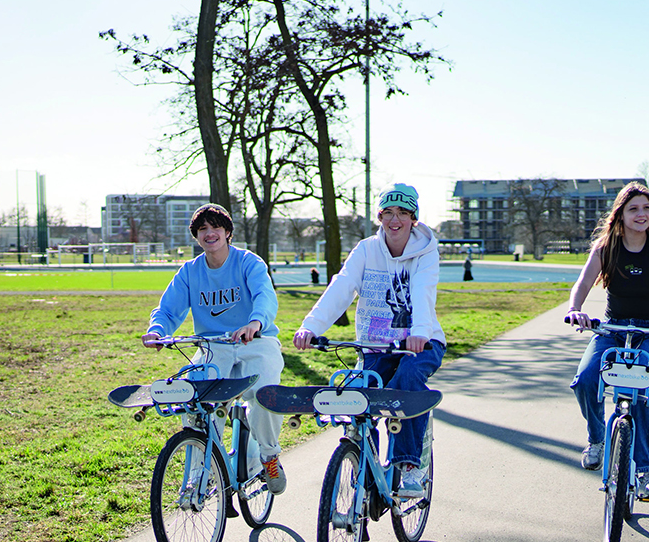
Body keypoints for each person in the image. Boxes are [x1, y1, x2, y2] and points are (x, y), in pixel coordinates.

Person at [292, 183, 444, 498]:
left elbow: (423, 291)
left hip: (420, 342)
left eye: (403, 212)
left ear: (414, 218)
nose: (395, 220)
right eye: (388, 212)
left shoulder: (426, 252)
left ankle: (410, 465)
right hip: (375, 345)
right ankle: (366, 463)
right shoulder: (366, 250)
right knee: (360, 394)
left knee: (406, 378)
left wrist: (419, 331)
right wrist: (312, 327)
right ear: (379, 216)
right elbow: (342, 287)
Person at [143, 203, 287, 494]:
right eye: (202, 229)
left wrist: (255, 323)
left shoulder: (249, 262)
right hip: (213, 347)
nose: (209, 234)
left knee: (264, 396)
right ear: (196, 236)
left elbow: (264, 296)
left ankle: (269, 456)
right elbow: (168, 309)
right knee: (192, 397)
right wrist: (157, 331)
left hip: (255, 342)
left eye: (215, 227)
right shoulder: (190, 271)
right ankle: (202, 470)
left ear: (228, 232)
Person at [564, 182, 649, 501]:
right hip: (614, 327)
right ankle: (596, 440)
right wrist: (575, 309)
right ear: (620, 215)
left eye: (646, 208)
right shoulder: (606, 247)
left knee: (641, 392)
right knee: (585, 380)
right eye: (633, 208)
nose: (641, 214)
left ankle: (648, 471)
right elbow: (582, 283)